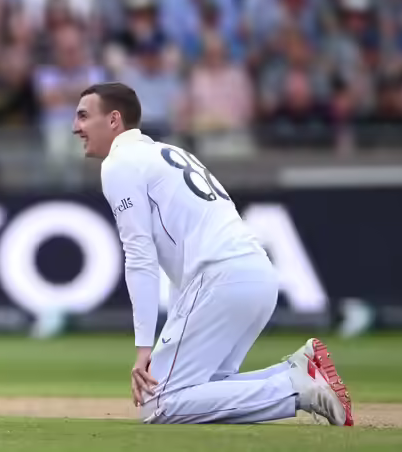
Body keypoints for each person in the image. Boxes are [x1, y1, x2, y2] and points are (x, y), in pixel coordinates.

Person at [71, 82, 353, 426]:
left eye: (84, 116)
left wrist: (144, 347)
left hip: (220, 278)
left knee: (158, 403)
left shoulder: (119, 163)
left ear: (114, 120)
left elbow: (139, 256)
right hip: (255, 275)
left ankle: (297, 388)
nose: (76, 127)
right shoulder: (167, 153)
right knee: (204, 389)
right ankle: (296, 371)